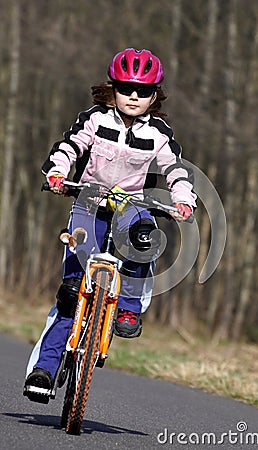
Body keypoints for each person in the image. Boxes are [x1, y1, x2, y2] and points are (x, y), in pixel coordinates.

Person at [23, 48, 197, 403]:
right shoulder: (95, 119)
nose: (134, 96)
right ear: (111, 88)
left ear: (155, 95)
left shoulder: (159, 131)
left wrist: (183, 198)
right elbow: (70, 146)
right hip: (89, 201)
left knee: (144, 236)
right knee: (71, 295)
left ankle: (129, 309)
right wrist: (57, 172)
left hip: (130, 207)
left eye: (143, 90)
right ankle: (45, 368)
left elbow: (174, 167)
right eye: (125, 87)